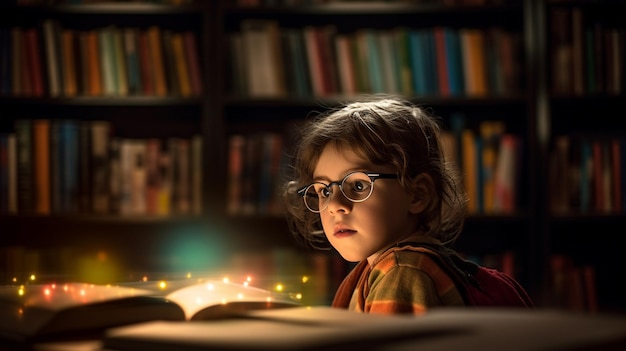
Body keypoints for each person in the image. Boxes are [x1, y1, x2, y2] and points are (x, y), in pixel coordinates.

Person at [282, 96, 514, 315]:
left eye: (359, 186)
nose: (334, 205)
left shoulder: (402, 272)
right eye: (324, 190)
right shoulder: (391, 267)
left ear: (417, 194)